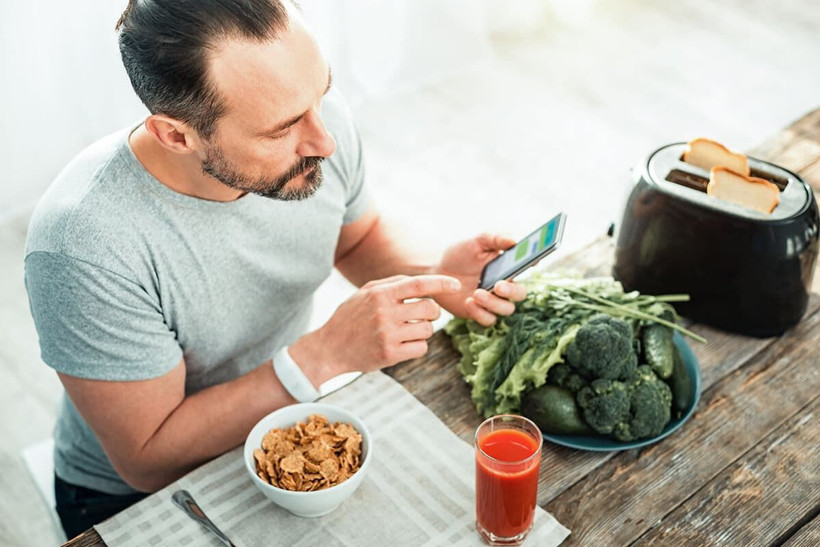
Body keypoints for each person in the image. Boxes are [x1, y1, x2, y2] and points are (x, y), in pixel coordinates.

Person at [24, 0, 527, 538]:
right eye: (281, 128)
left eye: (321, 93)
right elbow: (147, 457)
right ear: (176, 135)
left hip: (285, 423)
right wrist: (324, 355)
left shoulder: (312, 119)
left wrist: (438, 275)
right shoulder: (81, 247)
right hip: (135, 497)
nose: (324, 141)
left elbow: (353, 238)